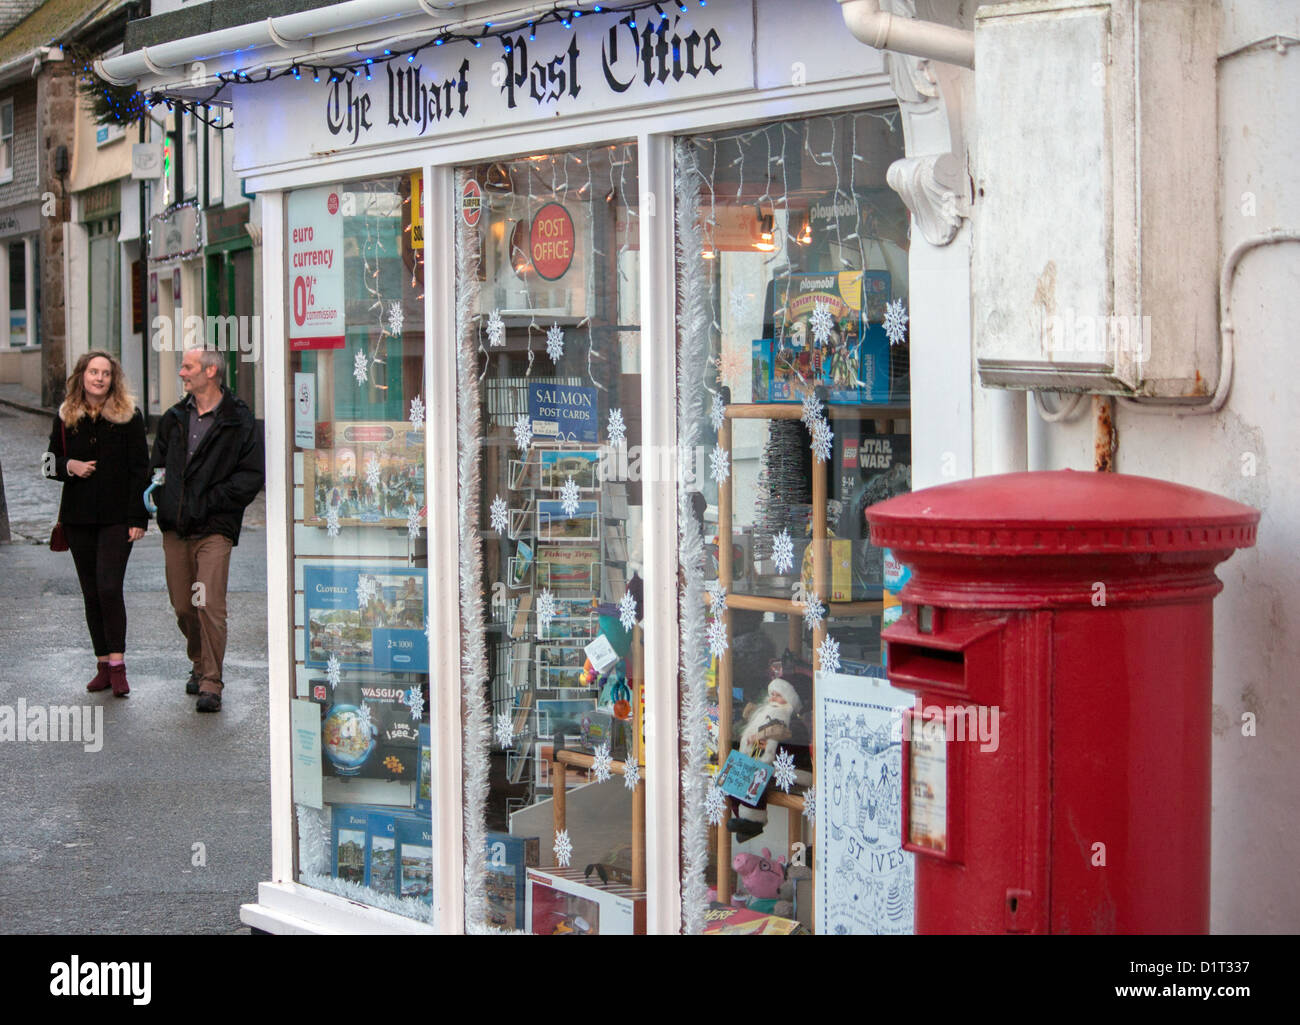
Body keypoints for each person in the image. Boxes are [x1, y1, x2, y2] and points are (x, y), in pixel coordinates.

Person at [151, 346, 264, 712]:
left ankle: (211, 682)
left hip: (215, 528)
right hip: (176, 528)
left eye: (188, 367)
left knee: (209, 604)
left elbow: (250, 477)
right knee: (184, 606)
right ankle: (199, 663)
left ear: (211, 371)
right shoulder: (173, 417)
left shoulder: (239, 419)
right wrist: (166, 501)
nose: (182, 373)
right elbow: (157, 469)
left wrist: (209, 501)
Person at [44, 351, 150, 697]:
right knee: (91, 592)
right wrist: (68, 466)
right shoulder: (65, 416)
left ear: (113, 379)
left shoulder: (129, 416)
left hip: (117, 519)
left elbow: (141, 470)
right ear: (82, 376)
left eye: (105, 373)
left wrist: (138, 518)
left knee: (108, 587)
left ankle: (118, 665)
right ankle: (102, 664)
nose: (99, 378)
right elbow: (48, 463)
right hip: (78, 519)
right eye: (93, 372)